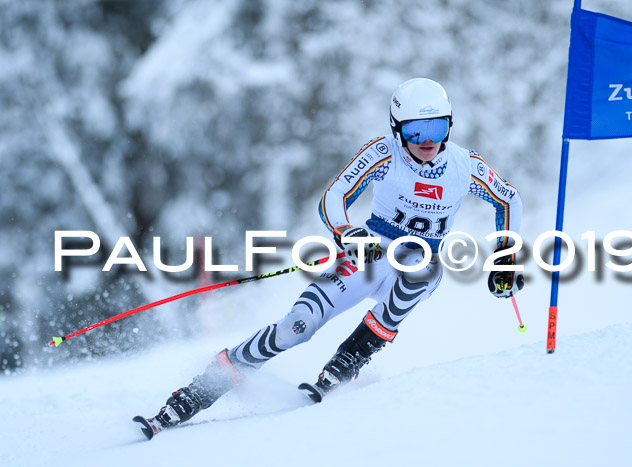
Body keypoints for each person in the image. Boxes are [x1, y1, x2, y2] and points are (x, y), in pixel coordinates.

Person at [134, 78, 524, 438]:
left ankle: (346, 363)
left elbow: (509, 199)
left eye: (437, 129)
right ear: (396, 129)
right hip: (370, 254)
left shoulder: (462, 166)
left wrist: (506, 258)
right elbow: (334, 197)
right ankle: (196, 393)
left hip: (420, 260)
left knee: (419, 272)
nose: (427, 141)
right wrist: (347, 233)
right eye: (415, 131)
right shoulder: (383, 154)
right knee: (295, 327)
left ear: (449, 126)